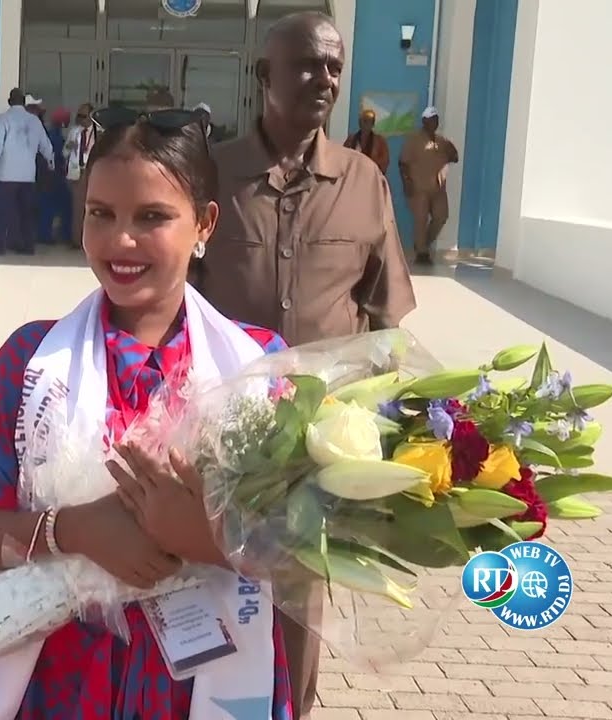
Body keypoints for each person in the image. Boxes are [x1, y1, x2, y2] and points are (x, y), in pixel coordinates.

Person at [0, 106, 293, 719]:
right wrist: (70, 531)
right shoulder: (29, 363)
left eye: (151, 217)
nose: (120, 241)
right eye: (100, 214)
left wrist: (209, 541)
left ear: (204, 224)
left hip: (201, 681)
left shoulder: (259, 366)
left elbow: (302, 541)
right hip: (64, 681)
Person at [195, 13, 415, 716]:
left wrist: (391, 427)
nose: (323, 79)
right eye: (305, 65)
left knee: (299, 603)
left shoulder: (363, 181)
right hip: (218, 433)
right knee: (206, 591)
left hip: (320, 445)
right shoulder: (212, 174)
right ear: (264, 76)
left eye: (333, 68)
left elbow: (385, 317)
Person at [0, 88, 54, 256]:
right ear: (23, 102)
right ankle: (28, 245)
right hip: (28, 176)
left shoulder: (3, 120)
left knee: (2, 213)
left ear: (9, 101)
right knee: (26, 212)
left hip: (7, 175)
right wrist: (51, 165)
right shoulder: (34, 121)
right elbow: (46, 146)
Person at [399, 106, 459, 265]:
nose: (435, 122)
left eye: (436, 119)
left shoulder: (441, 141)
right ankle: (422, 253)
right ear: (424, 121)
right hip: (419, 188)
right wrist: (407, 182)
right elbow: (403, 163)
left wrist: (450, 152)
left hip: (438, 189)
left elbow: (455, 157)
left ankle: (422, 244)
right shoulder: (414, 140)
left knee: (441, 216)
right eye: (432, 119)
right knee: (421, 219)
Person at [36, 107, 72, 246]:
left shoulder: (49, 134)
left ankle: (46, 234)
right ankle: (60, 234)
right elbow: (59, 157)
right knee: (61, 206)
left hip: (48, 176)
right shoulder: (56, 137)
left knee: (47, 206)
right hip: (54, 177)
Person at [63, 102, 95, 247]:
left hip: (92, 171)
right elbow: (64, 153)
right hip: (77, 171)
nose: (81, 119)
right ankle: (77, 240)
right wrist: (69, 147)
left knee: (91, 209)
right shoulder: (74, 131)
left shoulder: (98, 131)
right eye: (79, 116)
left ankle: (89, 240)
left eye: (84, 116)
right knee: (77, 208)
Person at [344, 108, 388, 174]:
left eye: (368, 121)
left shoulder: (380, 141)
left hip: (372, 177)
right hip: (353, 175)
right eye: (363, 121)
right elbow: (343, 157)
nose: (364, 124)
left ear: (372, 124)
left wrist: (367, 166)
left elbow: (384, 162)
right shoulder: (351, 139)